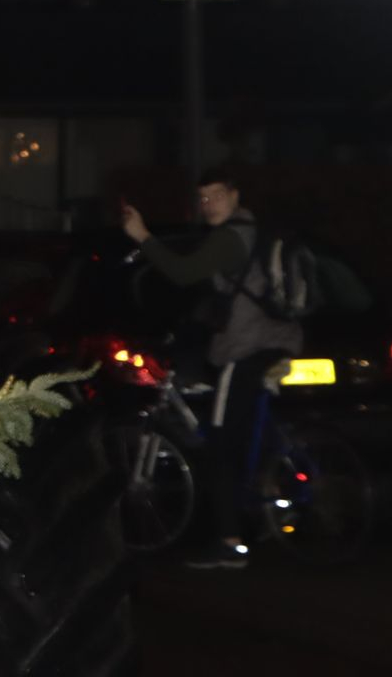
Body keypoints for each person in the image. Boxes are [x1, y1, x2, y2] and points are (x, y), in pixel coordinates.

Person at [121, 166, 302, 569]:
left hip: (249, 348)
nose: (209, 204)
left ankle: (230, 543)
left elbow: (183, 272)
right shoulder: (249, 232)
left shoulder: (230, 238)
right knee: (247, 429)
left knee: (220, 443)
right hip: (272, 340)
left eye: (217, 195)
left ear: (235, 195)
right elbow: (224, 293)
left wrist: (143, 236)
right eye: (203, 198)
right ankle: (276, 493)